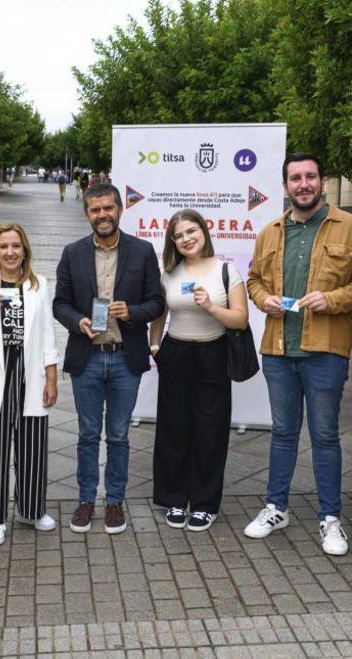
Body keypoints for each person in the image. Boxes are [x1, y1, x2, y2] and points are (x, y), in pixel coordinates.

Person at [244, 153, 352, 556]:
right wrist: (263, 300)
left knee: (324, 436)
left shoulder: (351, 228)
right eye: (295, 178)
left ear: (322, 181)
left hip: (326, 352)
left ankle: (330, 518)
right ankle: (276, 507)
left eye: (310, 177)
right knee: (282, 433)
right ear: (285, 186)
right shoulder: (270, 232)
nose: (303, 184)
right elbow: (254, 280)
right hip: (279, 350)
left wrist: (331, 299)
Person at [53, 182, 165, 534]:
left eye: (108, 208)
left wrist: (132, 312)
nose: (102, 215)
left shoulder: (142, 250)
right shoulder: (72, 252)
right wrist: (78, 321)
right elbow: (60, 304)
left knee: (118, 436)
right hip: (86, 358)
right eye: (95, 209)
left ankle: (114, 501)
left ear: (120, 209)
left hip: (124, 359)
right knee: (87, 435)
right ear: (87, 213)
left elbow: (157, 303)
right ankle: (86, 500)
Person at [147, 209, 248, 532]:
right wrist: (155, 348)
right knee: (174, 429)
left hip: (213, 354)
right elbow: (159, 315)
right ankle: (175, 498)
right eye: (178, 235)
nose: (186, 239)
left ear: (204, 232)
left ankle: (204, 504)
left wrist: (212, 307)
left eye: (191, 231)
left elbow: (241, 320)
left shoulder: (226, 270)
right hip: (176, 353)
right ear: (172, 242)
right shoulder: (169, 273)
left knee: (210, 430)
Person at [0, 223, 60, 545]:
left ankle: (32, 510)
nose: (10, 252)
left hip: (29, 373)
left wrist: (51, 377)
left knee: (32, 444)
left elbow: (47, 333)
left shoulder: (39, 285)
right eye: (4, 246)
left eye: (16, 246)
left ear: (25, 251)